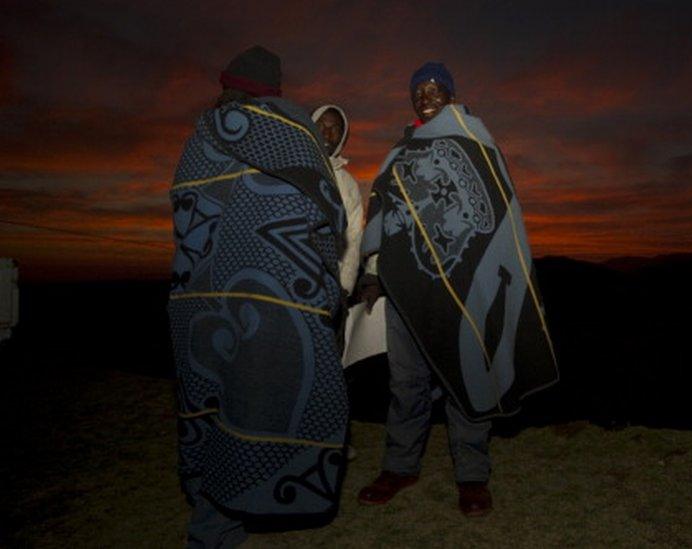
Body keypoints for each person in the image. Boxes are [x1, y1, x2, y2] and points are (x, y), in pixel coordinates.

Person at [357, 62, 559, 517]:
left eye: (435, 89)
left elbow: (498, 212)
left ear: (450, 95)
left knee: (465, 372)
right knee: (406, 381)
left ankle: (471, 475)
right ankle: (400, 466)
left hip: (462, 282)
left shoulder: (475, 141)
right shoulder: (400, 151)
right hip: (406, 285)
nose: (425, 96)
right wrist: (372, 271)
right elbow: (382, 211)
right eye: (418, 90)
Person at [168, 45, 349, 548]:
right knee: (266, 406)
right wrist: (321, 288)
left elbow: (185, 216)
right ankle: (237, 507)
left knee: (216, 406)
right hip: (274, 306)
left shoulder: (198, 139)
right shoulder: (291, 136)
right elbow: (327, 216)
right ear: (275, 90)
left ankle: (213, 526)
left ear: (228, 85)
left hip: (200, 301)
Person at [311, 104, 364, 296]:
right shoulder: (292, 167)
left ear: (342, 137)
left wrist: (344, 287)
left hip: (328, 284)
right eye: (321, 125)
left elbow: (353, 239)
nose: (326, 133)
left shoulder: (348, 185)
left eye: (335, 129)